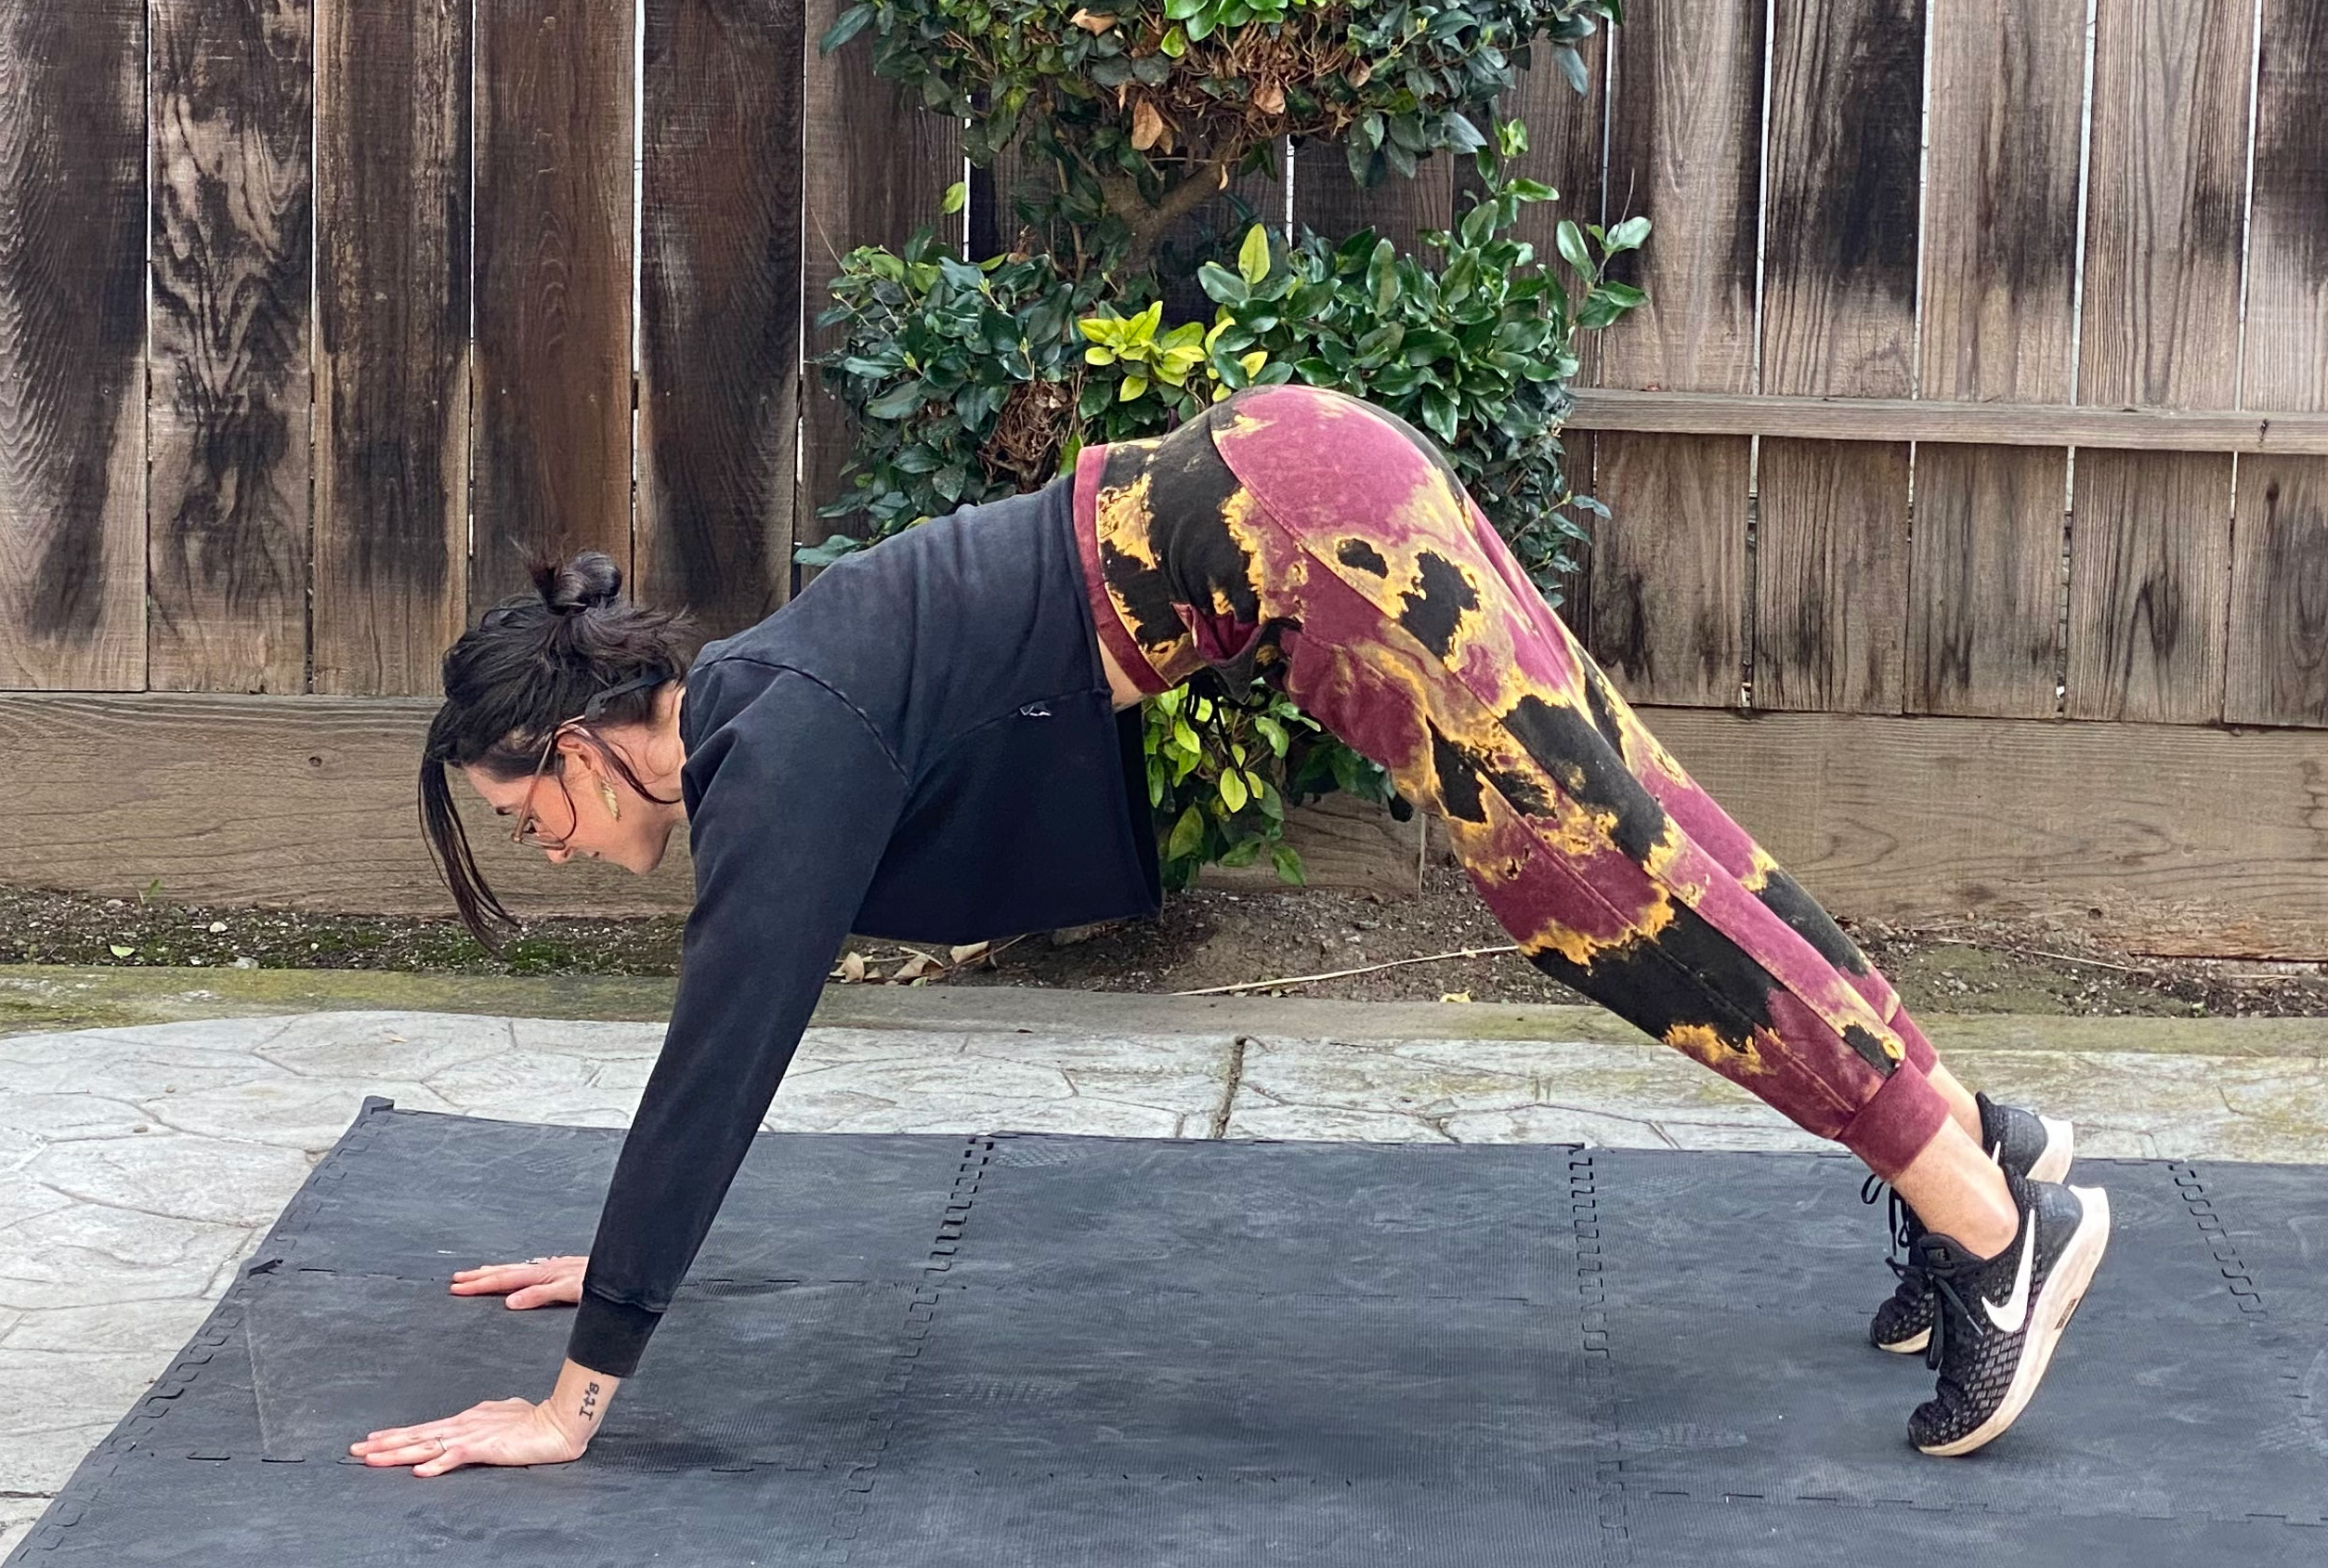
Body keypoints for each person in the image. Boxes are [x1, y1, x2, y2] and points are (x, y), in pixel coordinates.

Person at [350, 384, 2107, 1483]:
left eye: (536, 818)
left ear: (581, 743)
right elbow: (723, 1054)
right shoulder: (762, 716)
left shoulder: (771, 743)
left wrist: (577, 1396)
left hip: (1307, 526)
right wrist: (625, 1248)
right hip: (1303, 486)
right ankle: (1977, 1139)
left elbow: (720, 1055)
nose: (564, 855)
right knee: (1654, 844)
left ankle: (1988, 1228)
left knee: (1613, 893)